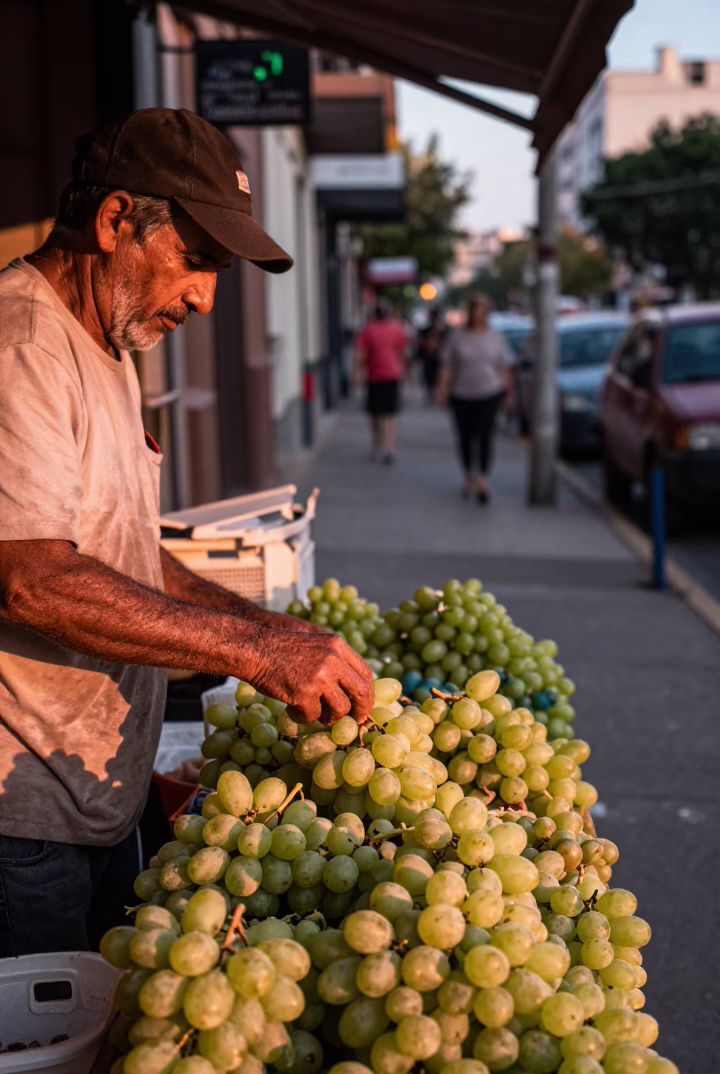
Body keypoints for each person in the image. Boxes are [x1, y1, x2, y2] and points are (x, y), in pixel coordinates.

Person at [0, 107, 374, 958]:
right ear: (114, 220)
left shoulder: (107, 345)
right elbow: (30, 578)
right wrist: (252, 652)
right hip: (20, 827)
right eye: (197, 261)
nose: (206, 295)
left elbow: (126, 555)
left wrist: (271, 629)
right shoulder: (20, 345)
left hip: (93, 801)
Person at [436, 294, 515, 503]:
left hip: (489, 391)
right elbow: (448, 366)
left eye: (482, 310)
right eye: (474, 310)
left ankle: (483, 479)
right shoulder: (457, 337)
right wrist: (443, 390)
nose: (478, 315)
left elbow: (504, 366)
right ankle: (468, 474)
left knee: (486, 435)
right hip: (461, 393)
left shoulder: (496, 337)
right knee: (465, 437)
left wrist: (509, 393)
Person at [354, 301, 408, 464]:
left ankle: (378, 441)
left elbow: (360, 354)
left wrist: (356, 372)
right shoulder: (397, 329)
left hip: (374, 375)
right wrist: (404, 370)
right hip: (392, 374)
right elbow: (403, 352)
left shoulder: (368, 330)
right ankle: (389, 446)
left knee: (375, 412)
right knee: (390, 412)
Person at [416, 308, 446, 402]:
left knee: (436, 375)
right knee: (428, 375)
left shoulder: (441, 329)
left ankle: (435, 393)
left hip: (437, 356)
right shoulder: (427, 329)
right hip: (429, 356)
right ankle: (431, 393)